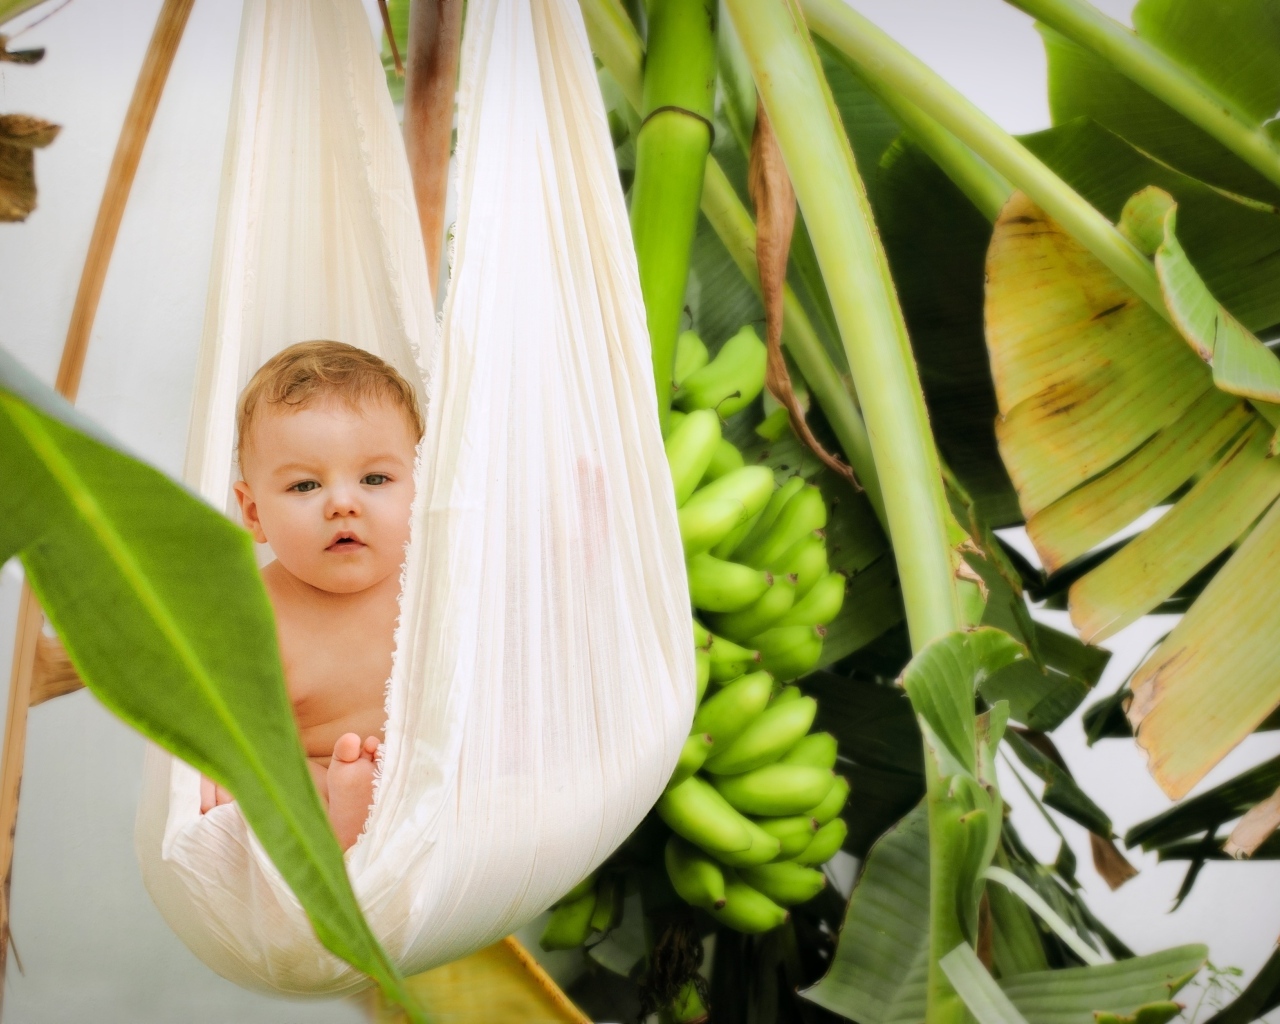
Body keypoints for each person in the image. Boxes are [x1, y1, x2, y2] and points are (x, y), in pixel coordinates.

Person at [199, 340, 422, 852]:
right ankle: (346, 816)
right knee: (273, 783)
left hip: (432, 770)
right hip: (322, 771)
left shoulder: (436, 578)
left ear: (422, 489)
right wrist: (206, 763)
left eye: (374, 478)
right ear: (253, 514)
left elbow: (526, 606)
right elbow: (207, 713)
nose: (343, 503)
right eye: (304, 486)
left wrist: (582, 541)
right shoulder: (251, 614)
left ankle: (366, 809)